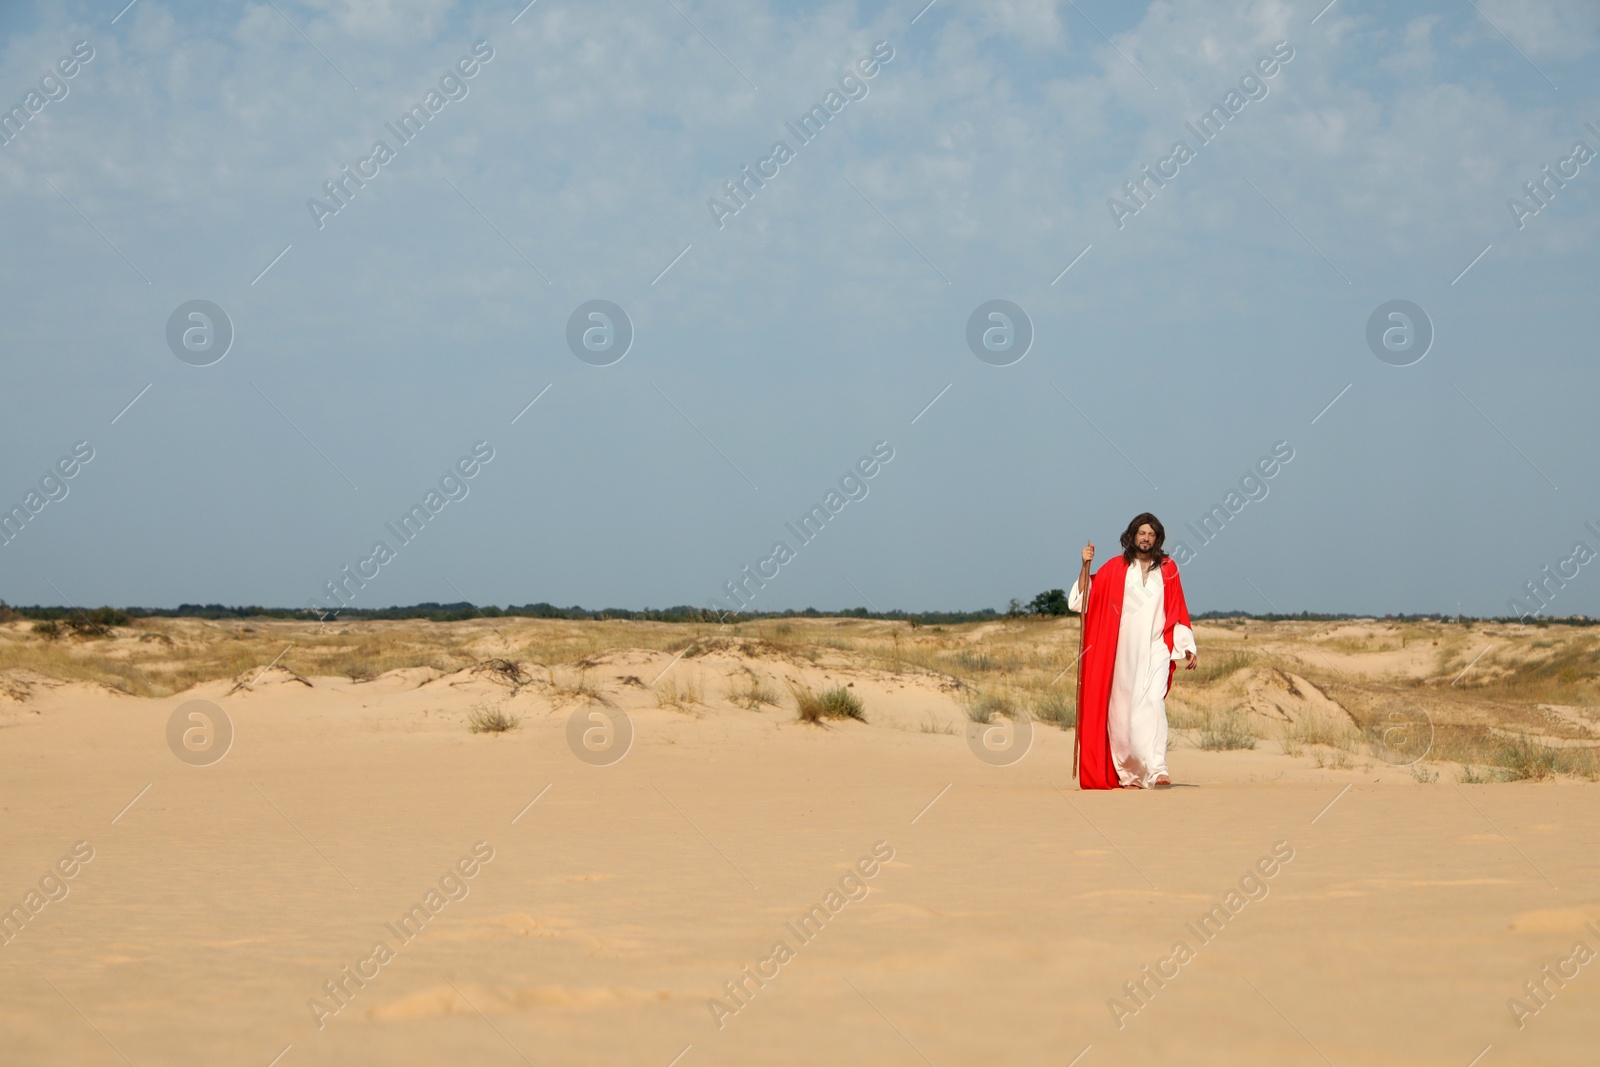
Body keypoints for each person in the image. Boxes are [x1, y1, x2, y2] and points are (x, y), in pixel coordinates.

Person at [1068, 513, 1197, 789]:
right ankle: (1131, 774)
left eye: (1151, 534)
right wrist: (1084, 565)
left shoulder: (1168, 568)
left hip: (1157, 648)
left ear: (1157, 538)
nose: (1146, 538)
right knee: (1122, 715)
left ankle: (1158, 769)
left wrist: (1186, 645)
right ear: (1132, 536)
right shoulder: (1116, 568)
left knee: (1153, 702)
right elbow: (1083, 599)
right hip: (1122, 652)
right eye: (1141, 533)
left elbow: (1177, 607)